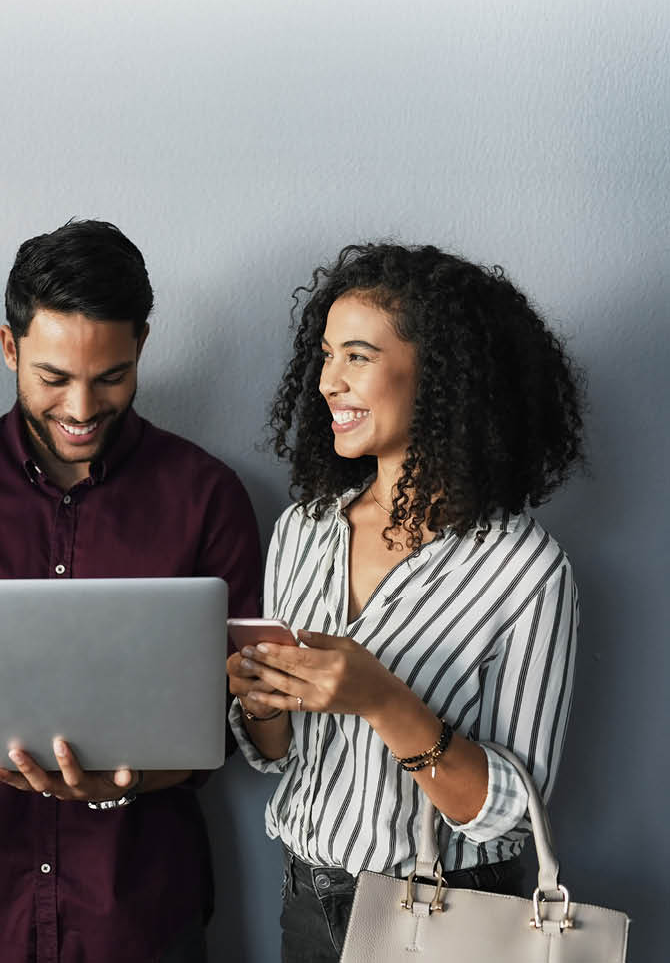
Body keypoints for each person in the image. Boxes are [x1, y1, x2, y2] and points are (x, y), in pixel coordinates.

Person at [0, 220, 262, 963]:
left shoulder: (207, 496)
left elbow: (244, 704)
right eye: (53, 377)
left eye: (110, 377)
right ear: (10, 349)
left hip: (137, 915)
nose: (80, 408)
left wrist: (133, 775)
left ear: (141, 345)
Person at [227, 242, 584, 963]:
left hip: (443, 919)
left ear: (446, 374)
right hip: (304, 899)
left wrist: (383, 700)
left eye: (356, 356)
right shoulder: (303, 529)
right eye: (325, 355)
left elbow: (510, 816)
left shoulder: (526, 569)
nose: (329, 381)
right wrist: (263, 706)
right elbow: (277, 758)